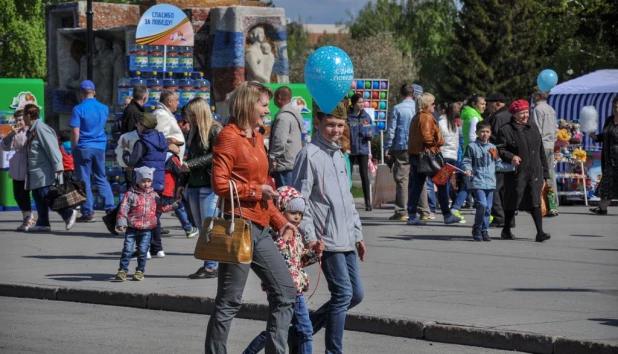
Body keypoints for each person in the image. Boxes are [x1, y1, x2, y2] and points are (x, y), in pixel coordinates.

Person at [206, 81, 297, 354]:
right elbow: (220, 185)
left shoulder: (258, 138)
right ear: (247, 105)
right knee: (230, 300)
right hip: (238, 224)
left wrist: (282, 222)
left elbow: (264, 188)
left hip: (260, 225)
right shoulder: (228, 136)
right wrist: (257, 190)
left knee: (286, 292)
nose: (267, 110)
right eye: (263, 104)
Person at [292, 101, 366, 353]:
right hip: (326, 238)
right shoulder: (309, 154)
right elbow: (298, 201)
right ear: (318, 122)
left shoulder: (337, 154)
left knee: (355, 295)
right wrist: (310, 237)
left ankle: (301, 330)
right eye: (330, 125)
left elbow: (347, 200)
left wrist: (358, 234)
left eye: (340, 125)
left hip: (346, 236)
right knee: (343, 294)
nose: (335, 130)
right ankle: (333, 350)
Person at [243, 186, 324, 354]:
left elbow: (298, 261)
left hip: (296, 289)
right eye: (292, 212)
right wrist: (283, 240)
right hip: (280, 289)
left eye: (300, 214)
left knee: (281, 329)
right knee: (301, 330)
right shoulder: (273, 234)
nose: (297, 217)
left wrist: (314, 253)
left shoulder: (297, 235)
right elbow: (270, 259)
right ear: (280, 210)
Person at [177, 98, 223, 280]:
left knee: (208, 226)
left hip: (209, 185)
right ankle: (210, 262)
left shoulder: (215, 130)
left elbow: (217, 155)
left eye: (193, 115)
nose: (190, 118)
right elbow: (189, 156)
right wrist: (182, 183)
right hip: (194, 184)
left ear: (201, 113)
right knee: (200, 225)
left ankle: (211, 266)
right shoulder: (194, 132)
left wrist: (192, 165)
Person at [497, 100, 551, 242]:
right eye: (522, 113)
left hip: (534, 172)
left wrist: (545, 173)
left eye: (527, 112)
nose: (525, 115)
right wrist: (511, 156)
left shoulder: (532, 127)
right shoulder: (506, 129)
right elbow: (500, 149)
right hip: (517, 172)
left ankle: (540, 232)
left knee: (535, 201)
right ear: (514, 114)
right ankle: (506, 229)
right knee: (512, 202)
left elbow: (541, 152)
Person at [406, 93, 462, 226]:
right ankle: (447, 215)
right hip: (429, 155)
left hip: (417, 154)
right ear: (426, 104)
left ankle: (412, 215)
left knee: (417, 186)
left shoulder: (417, 117)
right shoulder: (426, 117)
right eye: (432, 103)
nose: (434, 105)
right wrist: (438, 141)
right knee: (442, 183)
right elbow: (427, 137)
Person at [23, 104, 78, 232]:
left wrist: (58, 166)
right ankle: (43, 223)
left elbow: (52, 148)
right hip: (36, 171)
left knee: (46, 194)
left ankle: (68, 212)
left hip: (44, 170)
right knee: (38, 195)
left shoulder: (41, 129)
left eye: (23, 116)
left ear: (28, 115)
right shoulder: (32, 130)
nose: (22, 119)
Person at [121, 112, 168, 258]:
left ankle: (144, 249)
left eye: (139, 124)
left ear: (143, 125)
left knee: (140, 216)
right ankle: (157, 248)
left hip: (143, 182)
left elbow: (131, 161)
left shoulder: (142, 142)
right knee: (155, 216)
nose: (137, 127)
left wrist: (125, 151)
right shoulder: (162, 139)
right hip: (158, 181)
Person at [70, 80, 115, 222]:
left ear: (81, 93)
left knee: (84, 180)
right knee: (101, 177)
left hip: (84, 146)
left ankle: (88, 212)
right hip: (100, 146)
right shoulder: (104, 108)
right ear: (94, 92)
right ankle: (110, 208)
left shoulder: (78, 109)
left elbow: (75, 132)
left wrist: (73, 147)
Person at [461, 121, 513, 241]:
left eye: (487, 132)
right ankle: (477, 228)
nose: (485, 134)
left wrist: (512, 166)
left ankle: (484, 230)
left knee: (488, 208)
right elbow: (466, 161)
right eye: (482, 132)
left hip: (490, 182)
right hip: (477, 180)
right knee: (482, 204)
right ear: (477, 132)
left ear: (491, 133)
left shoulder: (493, 148)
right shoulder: (472, 147)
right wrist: (467, 169)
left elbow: (498, 164)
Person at [114, 166, 159, 281]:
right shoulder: (131, 194)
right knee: (128, 250)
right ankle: (122, 270)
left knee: (143, 250)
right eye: (143, 181)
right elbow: (123, 208)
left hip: (147, 228)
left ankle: (140, 270)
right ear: (138, 181)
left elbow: (162, 206)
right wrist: (121, 222)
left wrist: (173, 205)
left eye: (149, 181)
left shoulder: (154, 195)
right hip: (132, 227)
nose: (146, 184)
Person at [450, 94, 486, 221]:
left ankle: (480, 209)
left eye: (485, 104)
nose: (484, 106)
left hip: (468, 151)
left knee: (471, 184)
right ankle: (455, 209)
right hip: (474, 154)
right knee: (470, 184)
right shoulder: (474, 117)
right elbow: (472, 136)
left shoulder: (467, 113)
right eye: (482, 104)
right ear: (474, 104)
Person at [385, 84, 416, 221]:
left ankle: (401, 211)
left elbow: (392, 129)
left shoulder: (397, 108)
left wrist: (387, 146)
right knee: (418, 178)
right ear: (413, 94)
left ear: (401, 94)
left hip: (402, 146)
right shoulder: (418, 108)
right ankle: (424, 210)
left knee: (402, 179)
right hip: (416, 146)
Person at [1, 109, 36, 231]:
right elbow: (5, 147)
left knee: (24, 194)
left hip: (27, 165)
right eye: (17, 120)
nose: (19, 122)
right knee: (17, 194)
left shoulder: (31, 131)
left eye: (21, 119)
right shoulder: (15, 132)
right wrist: (11, 134)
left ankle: (29, 219)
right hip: (16, 165)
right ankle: (27, 216)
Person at [160, 140, 198, 238]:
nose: (180, 148)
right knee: (178, 207)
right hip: (169, 189)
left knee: (160, 209)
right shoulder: (172, 158)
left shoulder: (161, 156)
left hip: (162, 187)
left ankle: (154, 228)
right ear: (170, 146)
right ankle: (188, 229)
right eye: (177, 146)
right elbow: (180, 171)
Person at [485, 93, 513, 227]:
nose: (487, 107)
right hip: (510, 156)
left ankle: (499, 217)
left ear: (497, 103)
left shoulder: (497, 117)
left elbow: (494, 138)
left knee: (494, 188)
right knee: (505, 190)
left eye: (489, 103)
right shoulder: (509, 115)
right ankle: (508, 219)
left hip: (498, 156)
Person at [268, 86, 303, 188]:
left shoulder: (283, 117)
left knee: (285, 198)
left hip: (284, 164)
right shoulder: (296, 114)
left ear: (279, 97)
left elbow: (279, 140)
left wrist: (272, 157)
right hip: (294, 161)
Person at [589, 96, 618, 215]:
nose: (616, 109)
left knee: (608, 182)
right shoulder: (609, 120)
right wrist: (596, 137)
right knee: (607, 182)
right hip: (608, 158)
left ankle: (602, 207)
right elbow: (606, 136)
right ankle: (602, 207)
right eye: (615, 107)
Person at [531, 90, 559, 214]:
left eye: (533, 95)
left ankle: (542, 203)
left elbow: (535, 130)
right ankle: (553, 204)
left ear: (538, 96)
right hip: (550, 144)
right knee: (550, 174)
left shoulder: (537, 110)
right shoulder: (551, 109)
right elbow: (555, 129)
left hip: (541, 145)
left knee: (539, 174)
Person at [347, 94, 374, 211]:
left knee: (364, 176)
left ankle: (368, 202)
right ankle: (347, 201)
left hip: (363, 149)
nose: (362, 104)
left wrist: (370, 135)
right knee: (348, 176)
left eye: (363, 102)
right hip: (350, 150)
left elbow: (372, 131)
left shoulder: (366, 117)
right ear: (353, 104)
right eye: (359, 102)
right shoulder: (348, 117)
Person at [154, 89, 185, 162]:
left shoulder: (165, 114)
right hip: (168, 161)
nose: (178, 102)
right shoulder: (162, 115)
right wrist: (171, 146)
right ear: (170, 102)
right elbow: (160, 137)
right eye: (177, 100)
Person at [438, 102, 461, 203]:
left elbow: (439, 139)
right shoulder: (453, 124)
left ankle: (445, 204)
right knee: (446, 180)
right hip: (452, 156)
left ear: (443, 110)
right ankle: (454, 200)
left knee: (442, 182)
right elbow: (456, 142)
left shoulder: (440, 122)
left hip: (443, 155)